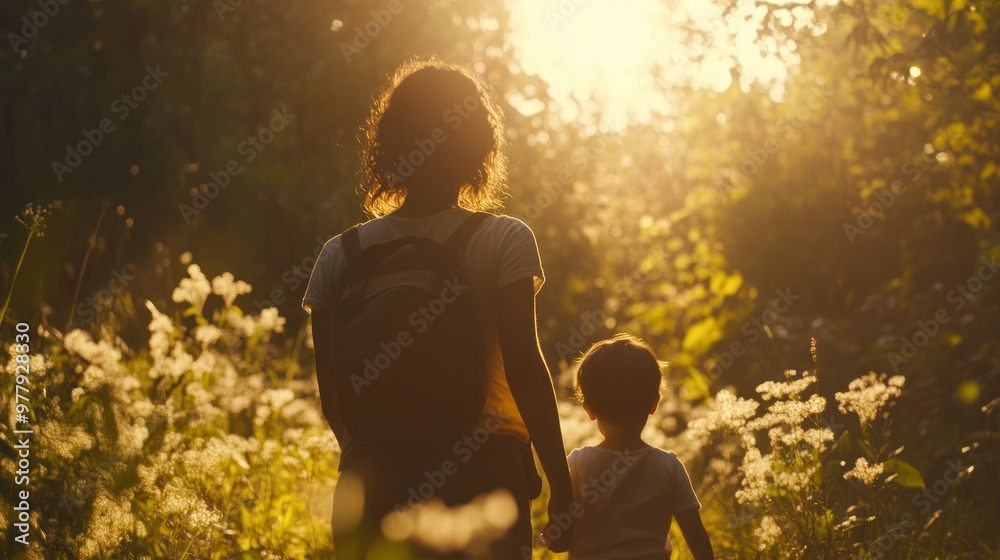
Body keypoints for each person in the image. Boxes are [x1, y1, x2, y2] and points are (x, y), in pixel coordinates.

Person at [302, 58, 573, 558]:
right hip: (484, 472)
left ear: (388, 146)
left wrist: (377, 460)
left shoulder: (342, 253)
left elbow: (333, 392)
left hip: (373, 476)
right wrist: (562, 484)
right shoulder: (503, 239)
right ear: (480, 148)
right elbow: (524, 365)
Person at [549, 334, 714, 560]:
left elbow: (557, 541)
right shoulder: (669, 467)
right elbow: (698, 539)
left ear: (589, 409)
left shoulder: (577, 464)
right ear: (654, 404)